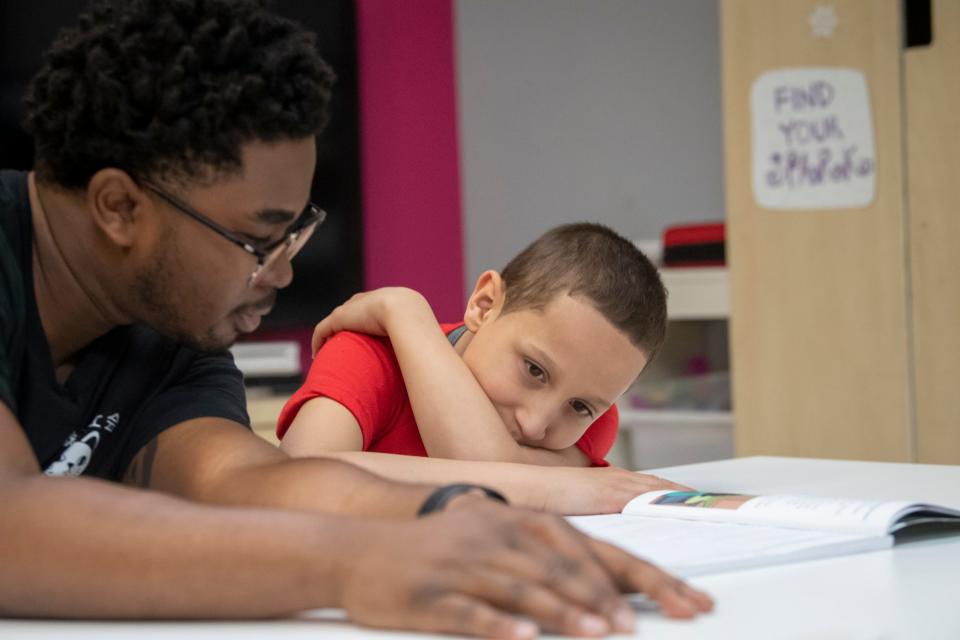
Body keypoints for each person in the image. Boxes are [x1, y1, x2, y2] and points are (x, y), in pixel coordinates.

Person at [0, 0, 713, 636]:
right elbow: (13, 529)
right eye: (259, 238)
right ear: (120, 208)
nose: (280, 272)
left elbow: (248, 486)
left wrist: (461, 518)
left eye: (295, 234)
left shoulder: (176, 330)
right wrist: (355, 562)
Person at [279, 224, 689, 514]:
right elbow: (294, 478)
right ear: (484, 305)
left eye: (581, 406)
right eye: (534, 370)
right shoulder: (367, 355)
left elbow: (488, 463)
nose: (535, 424)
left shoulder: (592, 418)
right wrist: (406, 313)